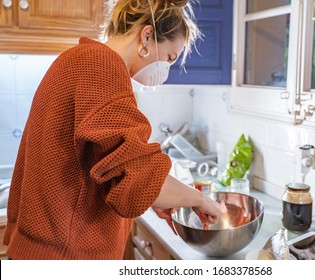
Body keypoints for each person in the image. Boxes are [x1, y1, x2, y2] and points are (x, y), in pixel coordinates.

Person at [3, 0, 222, 260]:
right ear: (147, 35)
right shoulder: (102, 66)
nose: (167, 69)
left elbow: (111, 166)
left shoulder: (78, 59)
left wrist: (156, 197)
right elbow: (141, 175)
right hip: (66, 258)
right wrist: (201, 201)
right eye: (169, 58)